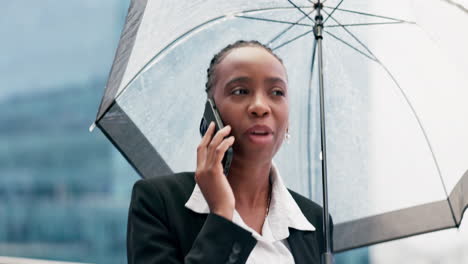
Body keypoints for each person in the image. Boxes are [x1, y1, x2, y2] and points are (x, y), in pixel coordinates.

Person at [126, 40, 331, 264]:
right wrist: (222, 215)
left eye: (276, 92)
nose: (260, 107)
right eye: (240, 91)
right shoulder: (158, 202)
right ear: (210, 114)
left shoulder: (315, 221)